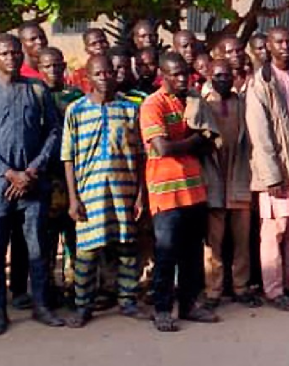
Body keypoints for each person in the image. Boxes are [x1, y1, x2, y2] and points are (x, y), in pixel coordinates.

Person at [0, 34, 64, 335]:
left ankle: (41, 306)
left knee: (37, 247)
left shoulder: (37, 89)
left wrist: (32, 170)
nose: (11, 58)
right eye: (5, 53)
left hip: (33, 184)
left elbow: (53, 132)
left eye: (15, 52)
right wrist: (8, 173)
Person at [61, 55, 146, 328]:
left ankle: (128, 300)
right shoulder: (75, 110)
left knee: (127, 247)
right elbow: (67, 157)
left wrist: (140, 195)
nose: (104, 78)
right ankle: (83, 306)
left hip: (124, 190)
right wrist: (73, 199)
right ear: (88, 77)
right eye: (98, 73)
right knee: (87, 251)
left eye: (109, 72)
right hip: (89, 194)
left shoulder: (130, 109)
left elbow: (141, 155)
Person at [139, 52, 218, 332]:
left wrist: (192, 141)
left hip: (194, 189)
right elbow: (162, 148)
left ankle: (189, 304)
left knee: (192, 253)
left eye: (185, 73)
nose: (183, 78)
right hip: (166, 192)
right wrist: (194, 140)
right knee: (166, 252)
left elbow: (211, 141)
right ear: (163, 76)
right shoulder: (153, 104)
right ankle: (162, 309)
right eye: (176, 74)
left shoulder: (193, 100)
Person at [245, 28, 289, 311]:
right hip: (277, 172)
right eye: (279, 42)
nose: (286, 46)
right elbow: (259, 133)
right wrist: (271, 176)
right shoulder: (261, 82)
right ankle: (273, 290)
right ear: (269, 46)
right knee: (274, 232)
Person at [200, 60, 259, 310]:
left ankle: (241, 287)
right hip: (214, 178)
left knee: (241, 240)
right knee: (213, 243)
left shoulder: (242, 103)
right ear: (209, 77)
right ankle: (213, 290)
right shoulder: (202, 105)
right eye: (218, 76)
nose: (223, 80)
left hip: (239, 177)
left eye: (227, 75)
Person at [38, 47, 85, 307]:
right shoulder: (33, 94)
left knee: (74, 236)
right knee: (45, 239)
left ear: (64, 66)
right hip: (44, 178)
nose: (53, 70)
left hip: (73, 177)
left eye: (57, 65)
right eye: (47, 66)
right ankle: (46, 289)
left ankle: (74, 288)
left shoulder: (76, 97)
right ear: (39, 68)